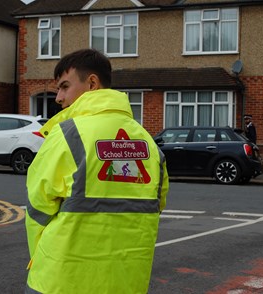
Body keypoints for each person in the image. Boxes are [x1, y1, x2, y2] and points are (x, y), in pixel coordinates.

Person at [25, 48, 169, 294]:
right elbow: (157, 203)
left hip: (61, 280)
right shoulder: (147, 142)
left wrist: (39, 257)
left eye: (64, 86)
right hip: (127, 281)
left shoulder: (66, 135)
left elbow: (38, 208)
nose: (58, 97)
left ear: (92, 83)